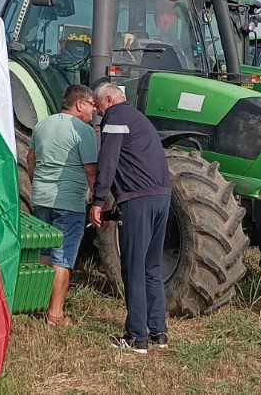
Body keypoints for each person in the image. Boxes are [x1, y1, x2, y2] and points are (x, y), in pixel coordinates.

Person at [89, 83, 171, 354]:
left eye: (99, 106)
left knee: (133, 268)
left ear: (109, 100)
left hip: (139, 200)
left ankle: (136, 338)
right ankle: (159, 332)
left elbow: (108, 161)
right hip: (162, 197)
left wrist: (98, 200)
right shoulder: (140, 119)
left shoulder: (116, 118)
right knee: (151, 268)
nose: (98, 112)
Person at [27, 84, 98, 327]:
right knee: (62, 258)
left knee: (45, 253)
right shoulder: (83, 131)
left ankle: (37, 304)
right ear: (79, 105)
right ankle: (56, 315)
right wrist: (99, 201)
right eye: (91, 104)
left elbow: (31, 159)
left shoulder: (42, 124)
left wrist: (37, 185)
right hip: (69, 202)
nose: (94, 109)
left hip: (41, 198)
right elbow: (90, 170)